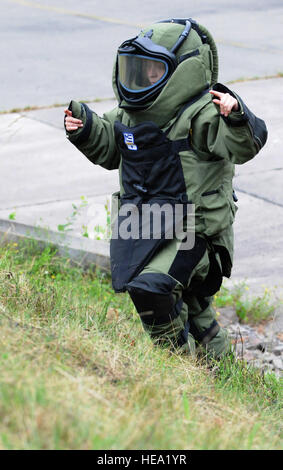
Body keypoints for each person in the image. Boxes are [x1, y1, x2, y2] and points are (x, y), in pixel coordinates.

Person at [64, 18, 267, 358]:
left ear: (181, 72)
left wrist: (236, 115)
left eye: (153, 72)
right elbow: (111, 149)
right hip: (149, 226)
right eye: (136, 70)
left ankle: (178, 367)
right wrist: (85, 129)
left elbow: (244, 145)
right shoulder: (129, 115)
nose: (142, 80)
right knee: (196, 311)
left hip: (196, 234)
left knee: (151, 289)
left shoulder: (202, 115)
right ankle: (221, 375)